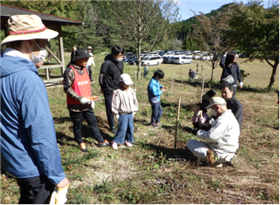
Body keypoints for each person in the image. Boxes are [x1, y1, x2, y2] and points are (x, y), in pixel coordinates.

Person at [0, 14, 69, 204]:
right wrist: (57, 175)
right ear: (30, 44)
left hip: (11, 159)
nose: (46, 50)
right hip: (33, 167)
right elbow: (41, 133)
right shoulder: (28, 80)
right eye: (44, 44)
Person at [63, 48, 109, 152]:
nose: (86, 60)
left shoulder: (86, 69)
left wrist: (91, 98)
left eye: (87, 58)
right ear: (77, 58)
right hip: (75, 105)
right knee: (78, 125)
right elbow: (67, 88)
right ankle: (80, 142)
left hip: (87, 103)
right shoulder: (70, 71)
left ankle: (100, 140)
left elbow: (87, 86)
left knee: (93, 122)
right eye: (84, 58)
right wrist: (79, 98)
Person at [187, 97, 240, 167]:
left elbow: (211, 137)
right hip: (224, 148)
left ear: (217, 107)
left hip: (222, 151)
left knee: (190, 143)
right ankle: (218, 158)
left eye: (212, 108)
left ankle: (215, 159)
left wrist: (197, 132)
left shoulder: (223, 120)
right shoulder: (228, 116)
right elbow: (216, 131)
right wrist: (204, 128)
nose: (212, 111)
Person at [99, 45, 124, 134]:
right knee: (110, 108)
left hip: (119, 88)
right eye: (119, 55)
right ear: (113, 54)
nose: (120, 57)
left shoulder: (121, 63)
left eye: (122, 55)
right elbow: (101, 77)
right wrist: (102, 87)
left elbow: (121, 75)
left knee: (121, 107)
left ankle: (121, 124)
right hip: (109, 90)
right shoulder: (106, 64)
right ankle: (112, 126)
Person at [111, 74, 139, 149]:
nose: (127, 85)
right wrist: (116, 113)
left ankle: (127, 140)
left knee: (130, 127)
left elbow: (134, 101)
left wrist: (134, 110)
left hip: (130, 112)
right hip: (122, 113)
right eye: (126, 83)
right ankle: (115, 141)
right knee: (122, 128)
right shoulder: (118, 92)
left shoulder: (131, 91)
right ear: (122, 83)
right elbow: (114, 103)